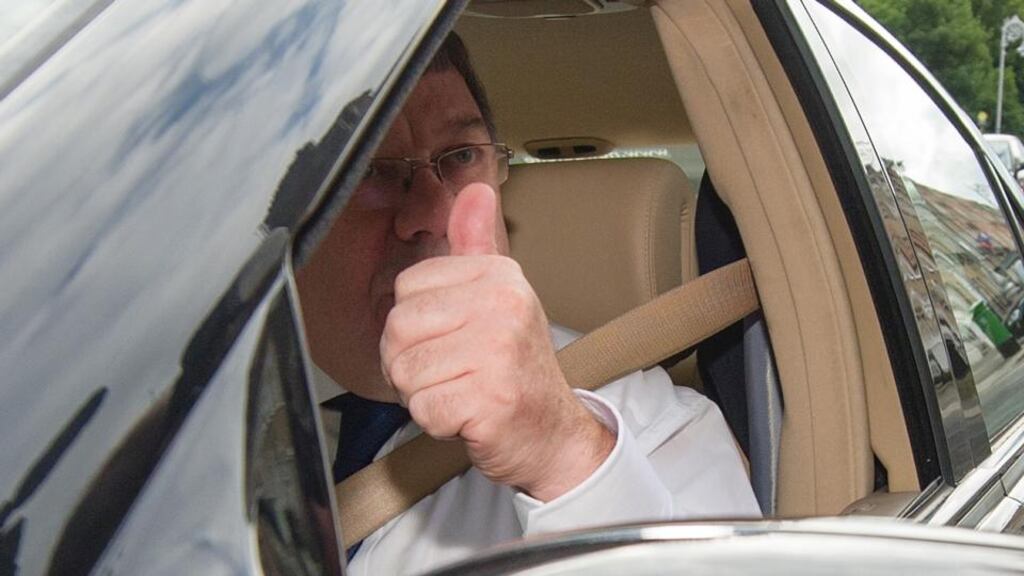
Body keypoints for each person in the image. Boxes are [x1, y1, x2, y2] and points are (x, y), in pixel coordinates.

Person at [296, 33, 758, 575]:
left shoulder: (646, 425)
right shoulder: (200, 404)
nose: (430, 213)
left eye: (462, 156)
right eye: (368, 169)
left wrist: (562, 456)